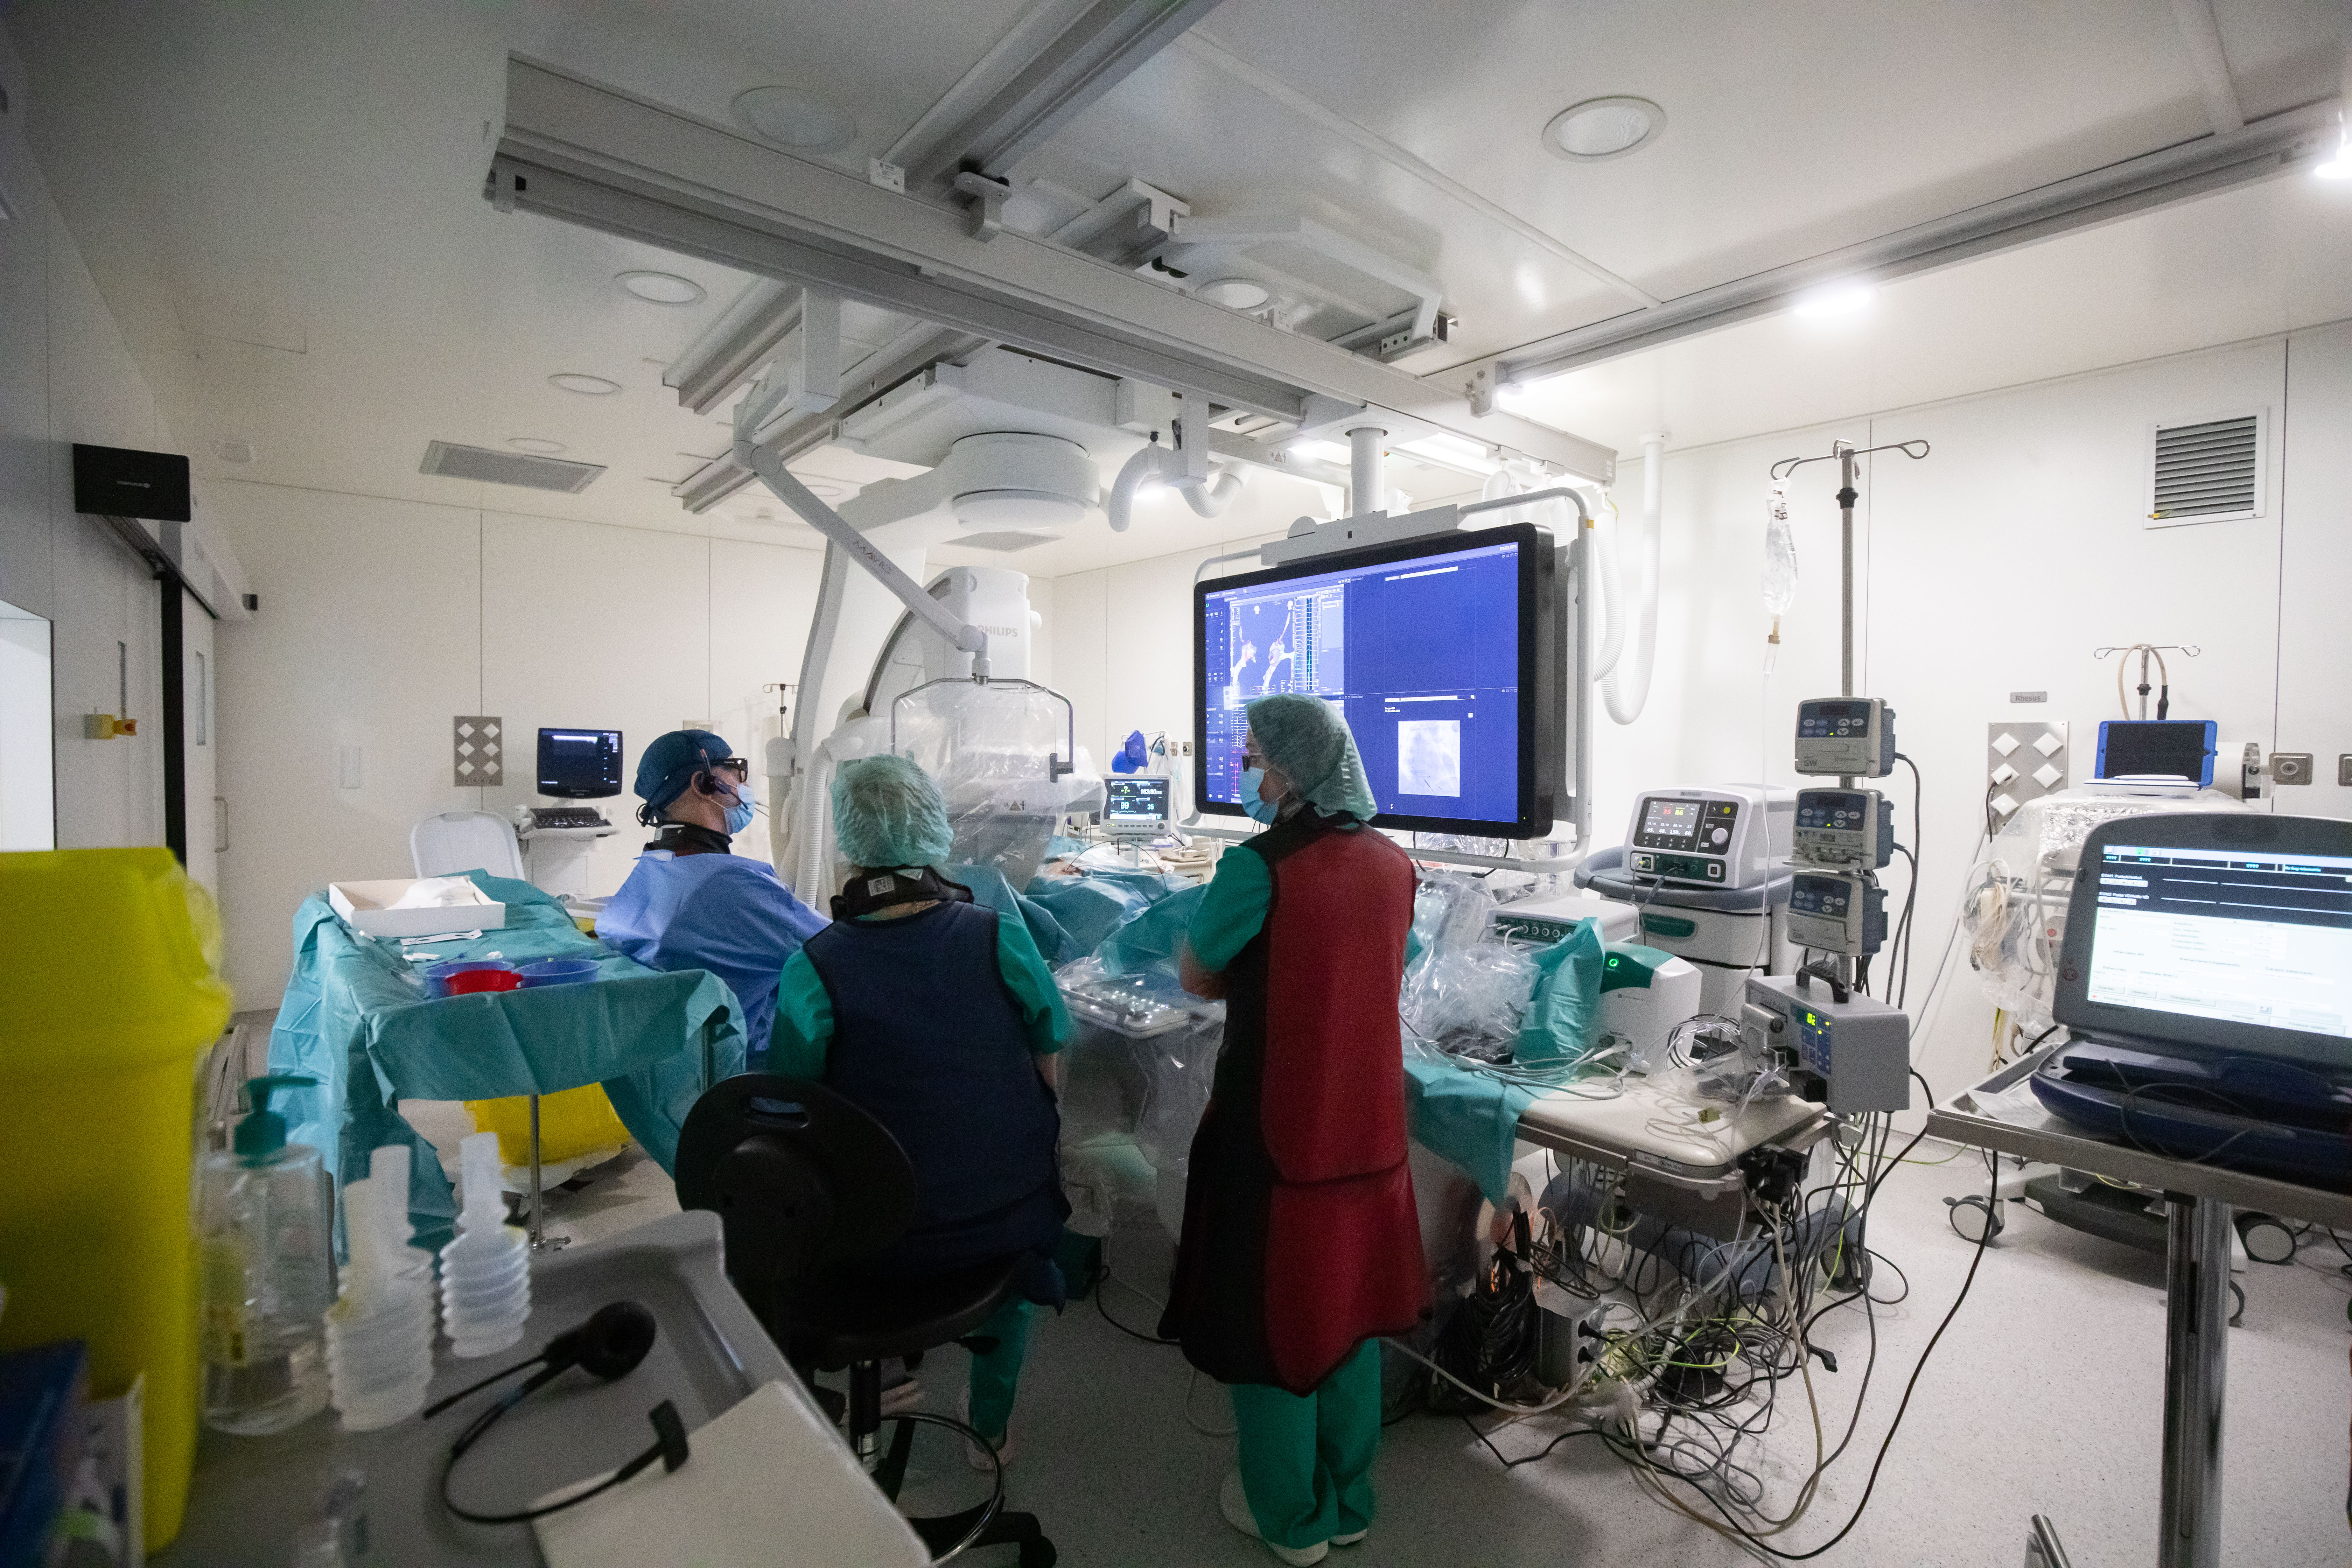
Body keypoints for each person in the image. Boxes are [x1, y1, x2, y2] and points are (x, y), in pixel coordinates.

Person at [1165, 694, 1425, 1567]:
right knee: (1350, 1318)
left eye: (1253, 756)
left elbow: (1200, 975)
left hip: (1277, 1140)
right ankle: (1350, 1504)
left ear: (1289, 769)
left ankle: (1289, 1521)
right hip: (1371, 1140)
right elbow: (1385, 964)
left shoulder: (1259, 868)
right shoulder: (1396, 865)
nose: (1248, 770)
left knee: (1271, 1326)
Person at [768, 752, 1070, 1467]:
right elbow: (1049, 1046)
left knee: (847, 1212)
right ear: (933, 832)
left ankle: (891, 1378)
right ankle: (990, 1429)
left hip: (879, 1235)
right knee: (1010, 1296)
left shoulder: (815, 964)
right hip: (1004, 1218)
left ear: (850, 843)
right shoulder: (996, 934)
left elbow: (798, 1102)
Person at [597, 729, 826, 1063]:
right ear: (703, 783)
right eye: (735, 771)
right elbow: (842, 955)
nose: (742, 784)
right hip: (753, 1079)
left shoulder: (653, 871)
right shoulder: (729, 885)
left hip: (681, 1084)